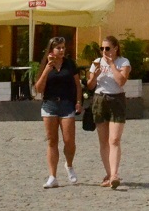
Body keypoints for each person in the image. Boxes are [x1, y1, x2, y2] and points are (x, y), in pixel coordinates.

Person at [34, 36, 82, 189]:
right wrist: (47, 69)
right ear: (51, 50)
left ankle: (69, 165)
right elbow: (39, 89)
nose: (61, 50)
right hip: (50, 105)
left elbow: (77, 85)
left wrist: (79, 101)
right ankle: (52, 176)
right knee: (52, 141)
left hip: (67, 105)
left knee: (69, 142)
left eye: (63, 47)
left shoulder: (70, 64)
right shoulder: (45, 65)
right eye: (58, 48)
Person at [87, 35, 131, 190]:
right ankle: (109, 173)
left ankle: (114, 174)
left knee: (115, 139)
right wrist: (95, 76)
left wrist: (112, 64)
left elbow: (121, 81)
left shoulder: (123, 62)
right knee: (103, 141)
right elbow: (90, 85)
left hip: (116, 100)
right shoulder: (96, 63)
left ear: (115, 48)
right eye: (102, 48)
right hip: (100, 99)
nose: (104, 51)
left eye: (107, 48)